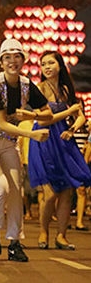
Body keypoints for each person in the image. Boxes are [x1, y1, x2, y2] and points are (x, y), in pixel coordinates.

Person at [0, 38, 52, 262]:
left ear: (23, 60)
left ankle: (15, 242)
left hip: (8, 142)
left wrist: (31, 115)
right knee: (0, 187)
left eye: (17, 57)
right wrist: (32, 134)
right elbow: (2, 123)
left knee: (16, 190)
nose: (13, 62)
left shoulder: (27, 84)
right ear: (1, 61)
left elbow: (48, 114)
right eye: (7, 57)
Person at [28, 51, 91, 250]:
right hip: (44, 139)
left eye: (50, 62)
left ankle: (61, 236)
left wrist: (72, 129)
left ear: (59, 65)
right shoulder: (39, 89)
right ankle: (43, 231)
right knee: (51, 193)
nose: (46, 67)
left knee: (67, 191)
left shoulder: (65, 89)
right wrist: (68, 112)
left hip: (63, 140)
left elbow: (80, 115)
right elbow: (43, 120)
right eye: (43, 63)